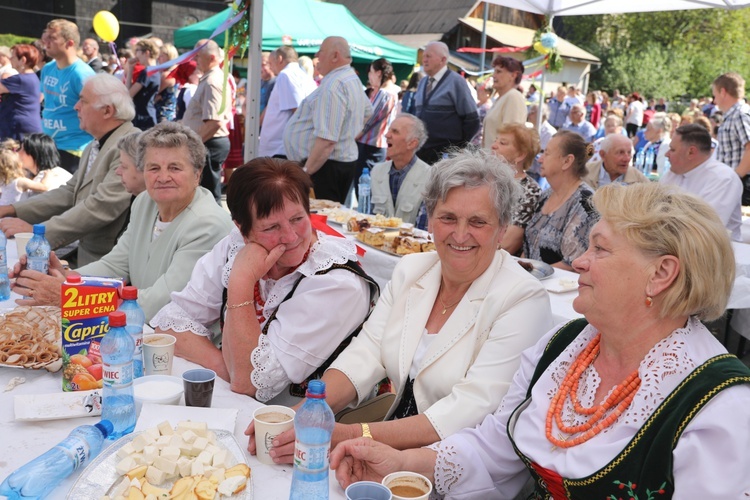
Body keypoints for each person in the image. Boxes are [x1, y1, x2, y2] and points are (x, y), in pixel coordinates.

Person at [331, 181, 750, 499]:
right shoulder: (564, 347)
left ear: (661, 274)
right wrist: (403, 464)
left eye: (600, 249)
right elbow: (496, 445)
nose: (580, 262)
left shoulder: (716, 404)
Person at [253, 149, 553, 462]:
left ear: (503, 228)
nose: (460, 234)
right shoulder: (413, 270)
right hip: (387, 448)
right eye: (448, 218)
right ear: (431, 218)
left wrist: (354, 435)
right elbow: (366, 352)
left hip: (455, 465)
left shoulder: (522, 299)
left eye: (478, 222)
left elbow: (469, 408)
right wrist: (309, 411)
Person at [150, 158, 378, 404]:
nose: (290, 237)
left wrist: (241, 281)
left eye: (297, 219)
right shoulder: (235, 246)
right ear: (242, 229)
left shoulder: (337, 283)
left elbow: (249, 383)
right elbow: (171, 324)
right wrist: (230, 369)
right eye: (271, 228)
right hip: (250, 406)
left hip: (316, 426)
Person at [10, 122, 233, 320]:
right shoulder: (146, 201)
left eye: (175, 168)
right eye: (153, 168)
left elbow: (161, 303)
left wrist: (70, 296)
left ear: (198, 174)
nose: (163, 177)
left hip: (183, 346)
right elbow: (116, 264)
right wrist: (65, 277)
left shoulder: (207, 224)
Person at [0, 74, 136, 266]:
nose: (76, 107)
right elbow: (69, 192)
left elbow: (103, 205)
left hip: (108, 260)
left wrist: (39, 232)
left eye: (83, 100)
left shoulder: (131, 144)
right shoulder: (95, 145)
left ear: (107, 111)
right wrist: (13, 209)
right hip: (88, 253)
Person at [284, 36, 373, 204]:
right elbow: (368, 113)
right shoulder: (350, 78)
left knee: (322, 221)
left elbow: (327, 140)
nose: (317, 56)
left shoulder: (335, 85)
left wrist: (306, 172)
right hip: (333, 163)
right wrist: (347, 136)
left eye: (321, 52)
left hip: (324, 167)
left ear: (335, 56)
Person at [524, 130, 598, 270]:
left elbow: (572, 264)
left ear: (566, 161)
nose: (540, 159)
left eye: (547, 153)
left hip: (561, 287)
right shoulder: (546, 195)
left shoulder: (585, 202)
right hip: (533, 282)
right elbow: (528, 247)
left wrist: (529, 276)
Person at [662, 124, 743, 241]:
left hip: (715, 253)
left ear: (691, 152)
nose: (666, 154)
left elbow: (703, 228)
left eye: (672, 149)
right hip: (672, 244)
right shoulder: (674, 172)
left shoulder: (724, 179)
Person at [39, 19, 95, 173]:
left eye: (52, 38)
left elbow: (97, 111)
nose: (46, 42)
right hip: (49, 146)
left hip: (74, 149)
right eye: (46, 37)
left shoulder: (82, 74)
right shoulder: (48, 68)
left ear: (69, 43)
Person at [183, 39, 234, 203]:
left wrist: (194, 144)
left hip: (209, 143)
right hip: (208, 142)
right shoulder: (211, 78)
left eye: (198, 56)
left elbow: (215, 122)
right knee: (204, 196)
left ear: (211, 57)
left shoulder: (212, 81)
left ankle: (215, 229)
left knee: (209, 197)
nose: (194, 60)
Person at [413, 42, 479, 165]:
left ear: (442, 60)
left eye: (429, 56)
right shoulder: (422, 83)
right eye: (424, 56)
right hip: (421, 153)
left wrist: (458, 148)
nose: (424, 60)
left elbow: (472, 119)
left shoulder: (456, 82)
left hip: (444, 156)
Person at [491, 123, 542, 256]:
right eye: (495, 141)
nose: (494, 146)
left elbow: (508, 244)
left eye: (502, 143)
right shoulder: (484, 179)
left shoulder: (530, 190)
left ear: (520, 155)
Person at [370, 114, 430, 224]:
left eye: (395, 132)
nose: (387, 135)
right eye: (389, 130)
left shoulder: (429, 177)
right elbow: (367, 218)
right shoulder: (376, 171)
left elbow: (423, 230)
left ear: (412, 143)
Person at [258, 46, 316, 158]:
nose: (270, 66)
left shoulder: (286, 74)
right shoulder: (303, 75)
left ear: (279, 59)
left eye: (270, 62)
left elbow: (298, 110)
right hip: (284, 146)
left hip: (279, 148)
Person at [355, 58, 399, 199]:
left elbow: (369, 120)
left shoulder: (384, 93)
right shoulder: (392, 92)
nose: (369, 76)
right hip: (377, 145)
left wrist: (354, 136)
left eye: (371, 72)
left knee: (364, 189)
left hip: (370, 145)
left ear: (379, 73)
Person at [712, 72, 750, 205]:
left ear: (723, 92)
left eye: (715, 95)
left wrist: (736, 178)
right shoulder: (734, 115)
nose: (714, 101)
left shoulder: (739, 115)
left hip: (741, 186)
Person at [482, 56, 527, 149]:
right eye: (494, 71)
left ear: (513, 75)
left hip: (499, 161)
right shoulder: (502, 98)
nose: (494, 76)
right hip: (489, 160)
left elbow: (510, 138)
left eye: (499, 72)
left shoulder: (513, 97)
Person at [0, 44, 43, 141]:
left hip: (19, 130)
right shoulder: (31, 77)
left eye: (13, 56)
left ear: (23, 60)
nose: (10, 59)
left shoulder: (21, 80)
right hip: (24, 128)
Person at [584, 133, 648, 189]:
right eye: (620, 152)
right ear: (603, 155)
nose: (627, 159)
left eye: (629, 153)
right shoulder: (583, 173)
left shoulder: (640, 180)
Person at [126, 38, 160, 131]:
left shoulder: (147, 72)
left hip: (143, 119)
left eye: (137, 50)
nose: (135, 54)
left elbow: (128, 95)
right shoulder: (154, 70)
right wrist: (130, 69)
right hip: (147, 116)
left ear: (147, 52)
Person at [641, 112, 672, 176]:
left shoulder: (667, 146)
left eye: (648, 129)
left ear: (659, 131)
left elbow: (662, 171)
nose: (645, 132)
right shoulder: (649, 144)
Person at [154, 44, 179, 123]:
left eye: (161, 56)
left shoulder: (167, 75)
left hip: (162, 115)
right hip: (169, 114)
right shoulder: (175, 72)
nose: (158, 58)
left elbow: (153, 94)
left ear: (169, 57)